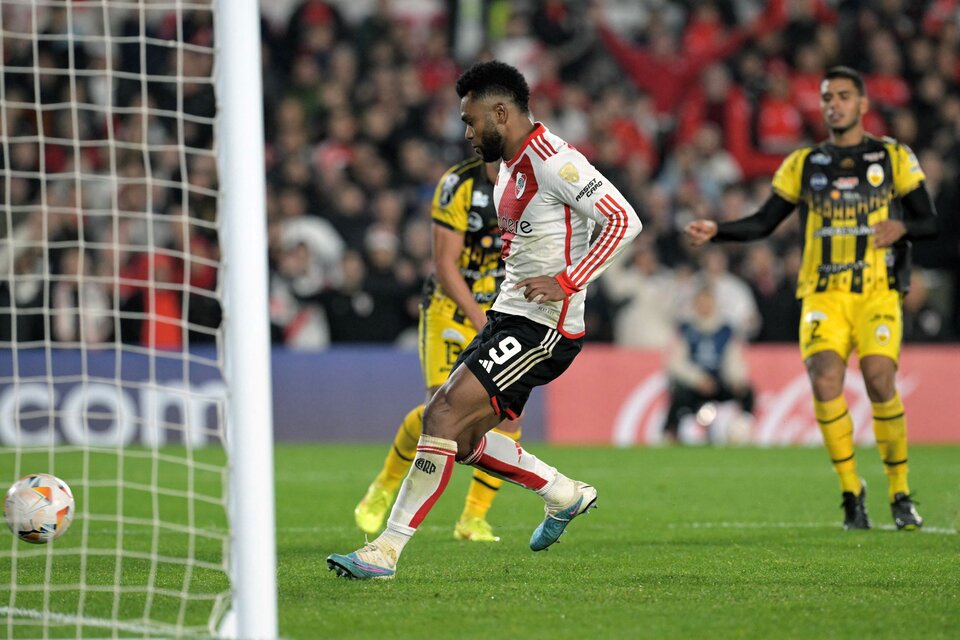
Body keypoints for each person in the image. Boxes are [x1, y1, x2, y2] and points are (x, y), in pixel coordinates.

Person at [328, 60, 642, 579]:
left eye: (472, 121)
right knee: (464, 438)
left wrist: (568, 281)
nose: (468, 133)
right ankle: (563, 494)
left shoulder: (555, 162)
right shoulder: (509, 171)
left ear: (502, 112)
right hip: (508, 318)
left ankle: (385, 550)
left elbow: (623, 220)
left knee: (440, 415)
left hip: (544, 328)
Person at [685, 66, 938, 531]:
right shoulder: (804, 163)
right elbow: (764, 221)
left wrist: (902, 226)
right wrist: (719, 230)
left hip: (877, 291)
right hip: (823, 292)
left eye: (843, 96)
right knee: (825, 379)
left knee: (880, 379)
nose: (834, 104)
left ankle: (900, 491)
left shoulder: (893, 157)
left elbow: (930, 221)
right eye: (827, 97)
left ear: (862, 104)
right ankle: (851, 491)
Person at [353, 157, 522, 543]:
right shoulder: (459, 184)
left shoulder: (533, 182)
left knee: (508, 416)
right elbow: (445, 267)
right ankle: (383, 486)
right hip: (452, 309)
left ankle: (473, 518)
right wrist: (483, 323)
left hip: (501, 310)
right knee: (440, 411)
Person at [661, 283, 755, 444]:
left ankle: (741, 432)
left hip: (718, 382)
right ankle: (670, 434)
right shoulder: (686, 329)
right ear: (695, 304)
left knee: (747, 392)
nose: (705, 306)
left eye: (708, 301)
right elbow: (675, 363)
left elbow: (733, 360)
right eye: (701, 302)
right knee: (678, 396)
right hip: (694, 384)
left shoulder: (725, 330)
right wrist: (698, 379)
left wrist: (736, 379)